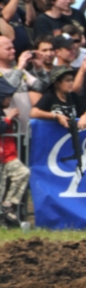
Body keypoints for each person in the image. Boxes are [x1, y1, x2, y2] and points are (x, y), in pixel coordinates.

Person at [0, 76, 28, 227]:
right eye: (7, 96)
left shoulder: (3, 112)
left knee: (22, 173)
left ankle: (8, 204)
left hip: (7, 156)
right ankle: (6, 208)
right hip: (4, 156)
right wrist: (9, 118)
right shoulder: (5, 115)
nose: (10, 99)